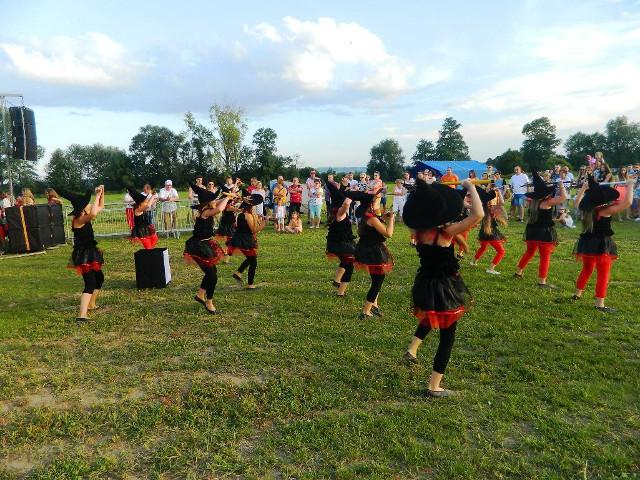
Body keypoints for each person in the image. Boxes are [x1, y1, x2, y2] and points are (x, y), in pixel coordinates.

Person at [402, 178, 483, 397]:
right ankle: (434, 386)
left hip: (425, 283)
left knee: (431, 316)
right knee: (448, 337)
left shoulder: (418, 231)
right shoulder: (446, 233)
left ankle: (412, 349)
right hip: (445, 286)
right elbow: (478, 215)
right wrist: (471, 188)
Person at [571, 176, 634, 312]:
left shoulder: (587, 211)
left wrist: (583, 188)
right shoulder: (605, 211)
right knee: (603, 273)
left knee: (587, 269)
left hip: (587, 243)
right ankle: (599, 304)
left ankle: (577, 294)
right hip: (601, 244)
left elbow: (576, 203)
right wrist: (630, 185)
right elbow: (628, 202)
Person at [514, 171, 567, 288]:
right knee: (545, 257)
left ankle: (518, 272)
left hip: (532, 231)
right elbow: (564, 197)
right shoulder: (547, 202)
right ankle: (542, 282)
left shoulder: (532, 202)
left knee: (529, 253)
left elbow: (527, 197)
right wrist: (561, 185)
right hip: (544, 233)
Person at [60, 186, 105, 322]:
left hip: (90, 252)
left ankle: (91, 304)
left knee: (99, 278)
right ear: (82, 209)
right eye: (87, 204)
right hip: (83, 255)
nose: (89, 205)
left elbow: (100, 206)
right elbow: (94, 213)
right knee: (90, 283)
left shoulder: (84, 215)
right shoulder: (79, 220)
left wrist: (102, 192)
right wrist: (97, 195)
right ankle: (82, 315)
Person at [347, 189, 394, 319]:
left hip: (365, 249)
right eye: (377, 200)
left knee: (375, 279)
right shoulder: (372, 218)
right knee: (377, 282)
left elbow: (372, 226)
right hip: (374, 252)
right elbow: (388, 233)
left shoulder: (365, 215)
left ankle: (374, 305)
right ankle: (365, 312)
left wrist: (382, 218)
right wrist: (392, 220)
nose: (379, 202)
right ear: (371, 204)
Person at [184, 183, 231, 314]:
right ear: (207, 202)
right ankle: (209, 302)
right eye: (213, 200)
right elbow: (219, 209)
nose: (215, 201)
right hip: (198, 247)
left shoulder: (207, 207)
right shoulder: (205, 212)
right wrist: (228, 197)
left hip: (205, 244)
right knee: (212, 276)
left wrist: (228, 196)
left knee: (212, 272)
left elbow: (219, 202)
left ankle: (200, 295)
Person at [326, 180, 356, 297]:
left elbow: (339, 195)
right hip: (342, 245)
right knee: (350, 265)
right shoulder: (340, 212)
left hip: (336, 243)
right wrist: (354, 194)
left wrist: (343, 187)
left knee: (345, 260)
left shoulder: (335, 210)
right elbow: (346, 203)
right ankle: (340, 292)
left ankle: (337, 280)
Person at [229, 194, 266, 289]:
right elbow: (254, 230)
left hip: (241, 239)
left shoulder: (244, 213)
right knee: (253, 262)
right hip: (245, 240)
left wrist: (257, 218)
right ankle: (250, 284)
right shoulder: (247, 215)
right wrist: (264, 223)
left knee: (251, 258)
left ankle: (238, 273)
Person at [470, 188, 507, 274]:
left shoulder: (482, 207)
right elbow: (502, 203)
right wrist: (499, 192)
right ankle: (491, 269)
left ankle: (473, 262)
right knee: (501, 251)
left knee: (483, 247)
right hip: (491, 233)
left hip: (483, 232)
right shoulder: (492, 207)